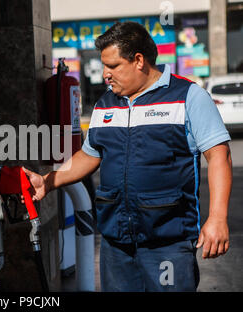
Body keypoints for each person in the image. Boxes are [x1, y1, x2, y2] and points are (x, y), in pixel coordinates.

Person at [23, 21, 232, 292]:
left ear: (138, 60)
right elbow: (90, 154)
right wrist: (49, 181)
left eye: (113, 66)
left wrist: (217, 218)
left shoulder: (188, 96)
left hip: (167, 243)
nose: (105, 75)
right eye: (104, 66)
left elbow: (219, 156)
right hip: (116, 243)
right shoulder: (106, 103)